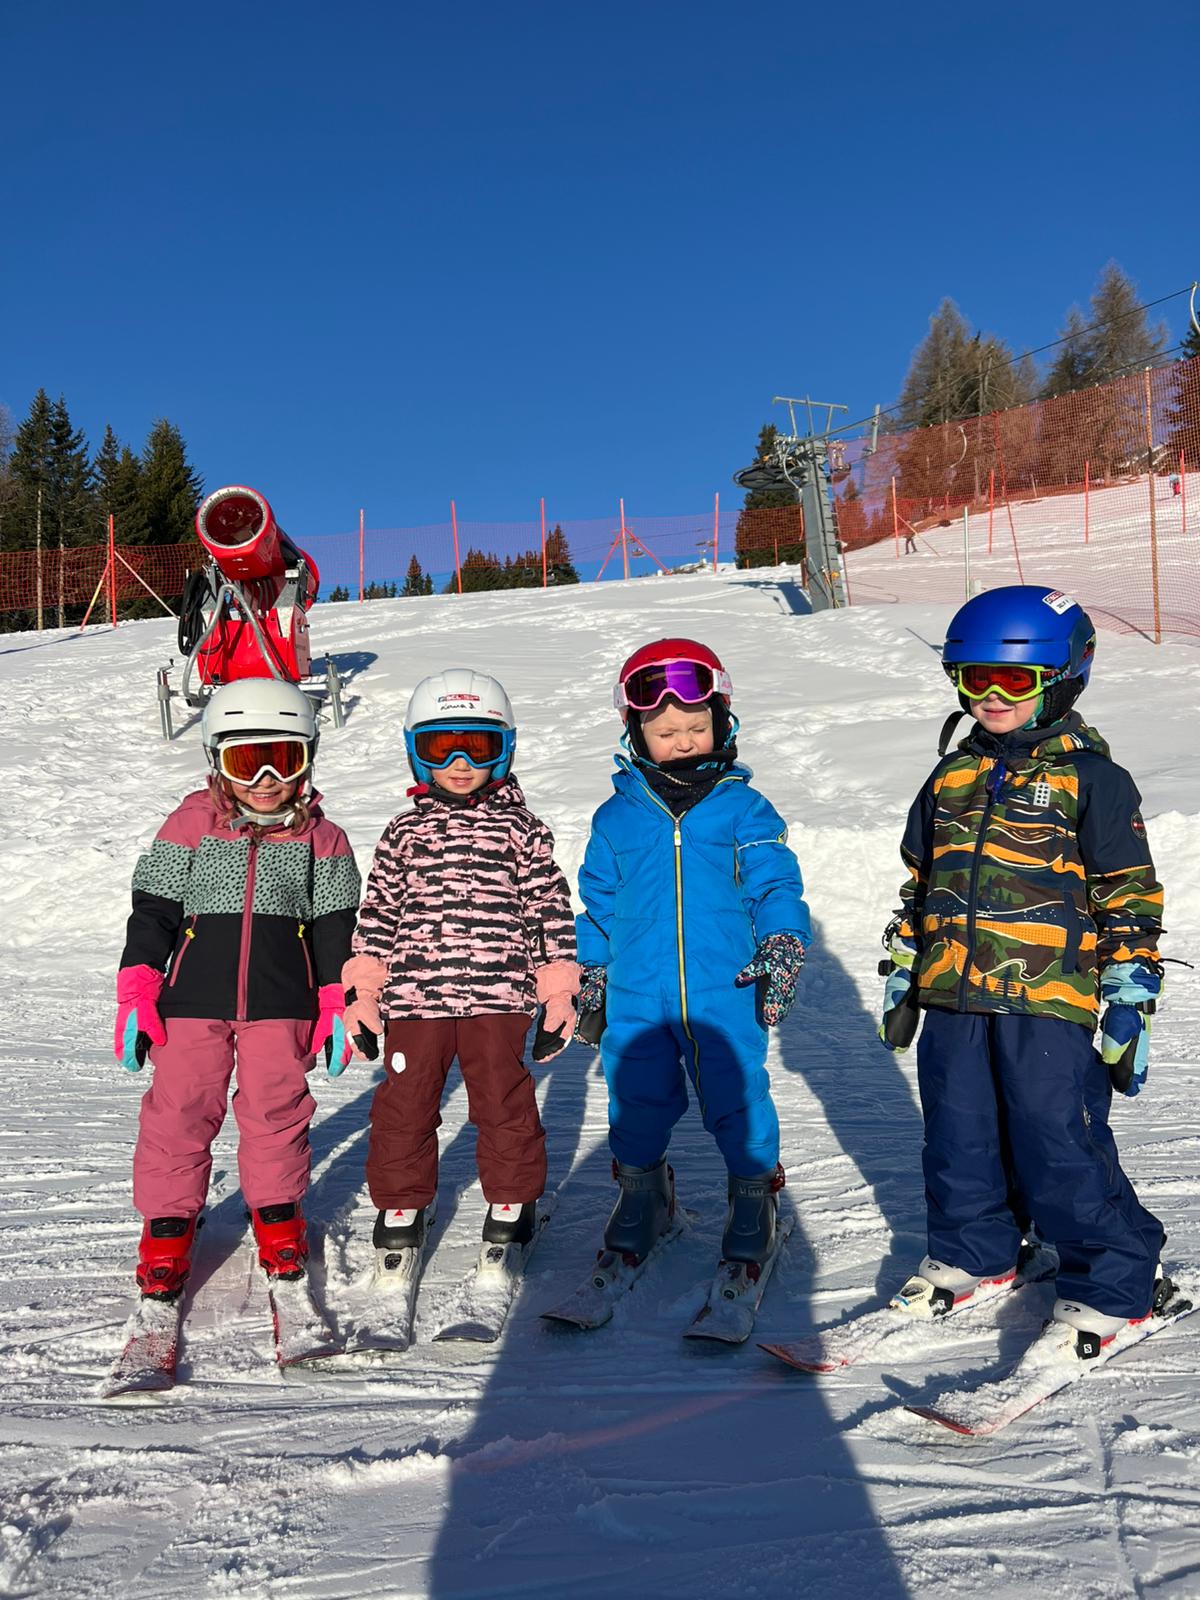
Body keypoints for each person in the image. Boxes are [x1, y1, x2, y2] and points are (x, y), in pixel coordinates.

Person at [879, 585, 1174, 1359]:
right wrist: (905, 969)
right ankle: (976, 1252)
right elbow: (921, 885)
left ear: (1063, 676)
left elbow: (1129, 897)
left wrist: (1129, 997)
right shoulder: (948, 778)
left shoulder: (1092, 779)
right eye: (973, 678)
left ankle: (1117, 1282)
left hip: (1051, 998)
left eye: (1012, 679)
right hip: (954, 994)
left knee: (1057, 1138)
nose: (990, 696)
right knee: (958, 1133)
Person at [115, 679, 361, 1301]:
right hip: (191, 1001)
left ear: (307, 758)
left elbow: (336, 928)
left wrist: (336, 1001)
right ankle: (168, 1224)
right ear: (217, 759)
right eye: (247, 761)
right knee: (179, 1107)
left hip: (282, 1003)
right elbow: (155, 910)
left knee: (277, 1109)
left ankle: (277, 1213)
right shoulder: (190, 823)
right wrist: (139, 986)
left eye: (285, 759)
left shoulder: (324, 838)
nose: (267, 779)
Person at [574, 639, 811, 1268]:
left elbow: (775, 884)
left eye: (697, 727)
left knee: (738, 1097)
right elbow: (596, 903)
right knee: (635, 1097)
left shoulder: (743, 808)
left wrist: (782, 940)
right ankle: (643, 1193)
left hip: (724, 990)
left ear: (723, 723)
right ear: (636, 734)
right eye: (666, 732)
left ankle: (755, 1196)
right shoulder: (615, 819)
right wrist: (592, 970)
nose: (683, 742)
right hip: (636, 994)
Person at [343, 669, 578, 1263]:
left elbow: (548, 909)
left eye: (477, 746)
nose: (459, 763)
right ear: (415, 752)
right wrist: (364, 993)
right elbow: (378, 913)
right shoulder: (403, 831)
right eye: (439, 747)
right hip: (414, 999)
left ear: (505, 749)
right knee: (405, 1102)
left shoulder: (522, 830)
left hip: (498, 997)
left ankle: (512, 1199)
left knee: (503, 1099)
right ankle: (401, 1203)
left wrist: (557, 991)